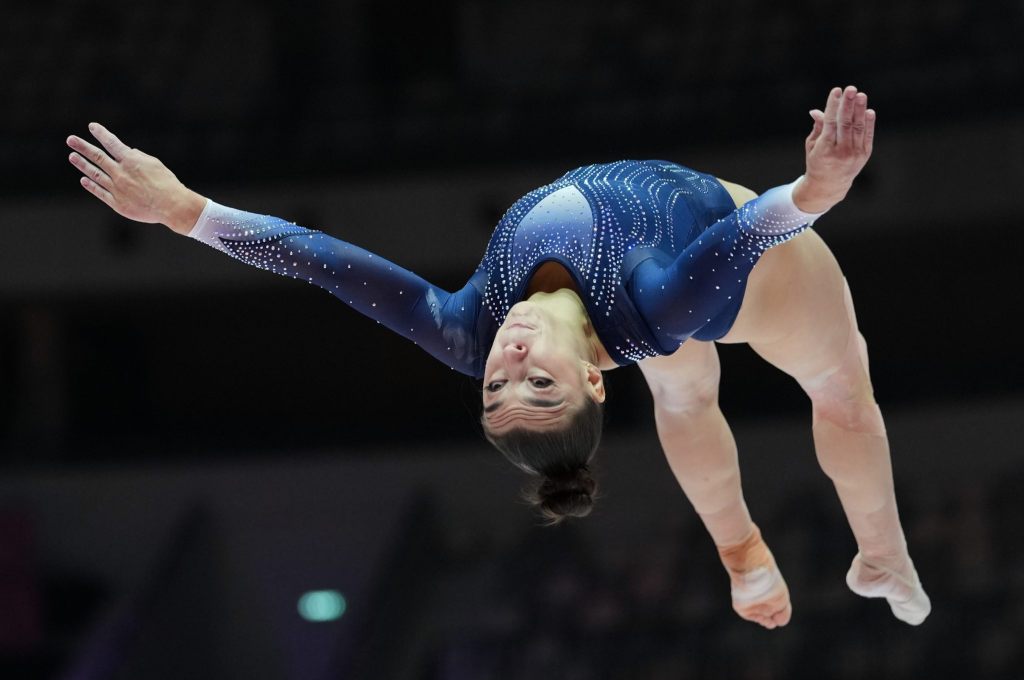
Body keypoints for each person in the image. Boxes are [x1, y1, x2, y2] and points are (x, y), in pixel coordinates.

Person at [66, 85, 930, 628]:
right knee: (837, 384)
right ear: (594, 375)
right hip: (745, 271)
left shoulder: (463, 329)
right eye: (539, 380)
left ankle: (744, 561)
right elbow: (751, 233)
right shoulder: (660, 303)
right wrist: (819, 189)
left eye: (497, 384)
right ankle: (883, 552)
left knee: (683, 395)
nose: (509, 356)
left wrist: (185, 212)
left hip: (655, 290)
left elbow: (320, 260)